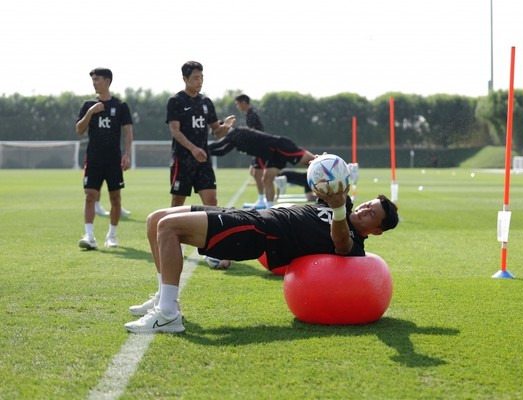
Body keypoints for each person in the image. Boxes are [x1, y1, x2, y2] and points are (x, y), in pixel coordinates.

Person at [124, 183, 399, 334]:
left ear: (376, 230)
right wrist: (323, 169)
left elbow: (340, 243)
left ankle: (169, 314)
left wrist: (339, 210)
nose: (364, 211)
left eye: (371, 214)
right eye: (367, 205)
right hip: (254, 215)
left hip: (258, 232)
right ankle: (164, 296)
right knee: (155, 219)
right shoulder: (342, 203)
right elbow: (325, 185)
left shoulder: (353, 244)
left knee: (168, 228)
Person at [76, 67, 133, 249]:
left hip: (113, 160)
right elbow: (79, 129)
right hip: (93, 159)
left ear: (107, 81)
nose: (94, 83)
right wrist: (91, 111)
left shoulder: (120, 106)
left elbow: (128, 133)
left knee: (115, 199)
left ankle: (112, 236)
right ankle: (89, 236)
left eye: (97, 79)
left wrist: (127, 154)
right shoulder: (88, 105)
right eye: (92, 80)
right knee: (90, 196)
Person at [167, 61, 235, 208]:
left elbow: (216, 132)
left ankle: (212, 231)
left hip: (203, 159)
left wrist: (225, 127)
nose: (200, 81)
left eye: (202, 77)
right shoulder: (176, 101)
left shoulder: (206, 102)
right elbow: (175, 131)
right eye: (196, 78)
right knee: (177, 205)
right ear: (185, 79)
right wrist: (193, 149)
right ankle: (175, 229)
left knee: (212, 202)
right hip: (183, 160)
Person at [208, 126, 316, 208]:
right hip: (273, 156)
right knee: (267, 179)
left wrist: (199, 148)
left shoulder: (235, 132)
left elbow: (218, 145)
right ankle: (270, 209)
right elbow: (222, 151)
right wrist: (203, 152)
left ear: (223, 126)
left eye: (216, 132)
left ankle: (329, 162)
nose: (216, 136)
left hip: (280, 147)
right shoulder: (233, 139)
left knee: (314, 162)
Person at [234, 94, 267, 209]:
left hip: (260, 148)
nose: (237, 106)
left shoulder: (251, 115)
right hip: (257, 149)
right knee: (254, 173)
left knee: (258, 174)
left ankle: (263, 200)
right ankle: (262, 198)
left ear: (243, 102)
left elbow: (252, 133)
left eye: (237, 104)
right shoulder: (249, 115)